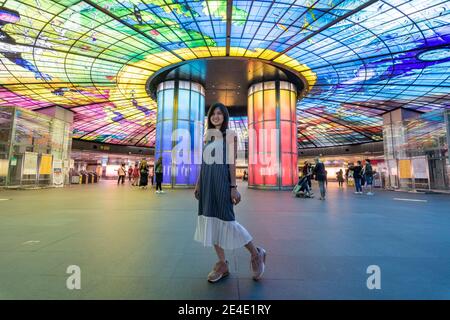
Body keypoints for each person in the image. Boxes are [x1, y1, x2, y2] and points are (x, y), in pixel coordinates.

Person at [194, 102, 266, 283]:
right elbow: (204, 164)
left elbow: (231, 163)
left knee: (228, 222)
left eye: (220, 113)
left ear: (225, 117)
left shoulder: (230, 136)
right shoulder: (208, 137)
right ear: (209, 117)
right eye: (213, 113)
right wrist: (198, 184)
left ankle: (256, 253)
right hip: (207, 184)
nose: (216, 116)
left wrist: (233, 187)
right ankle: (222, 263)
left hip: (222, 184)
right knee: (211, 222)